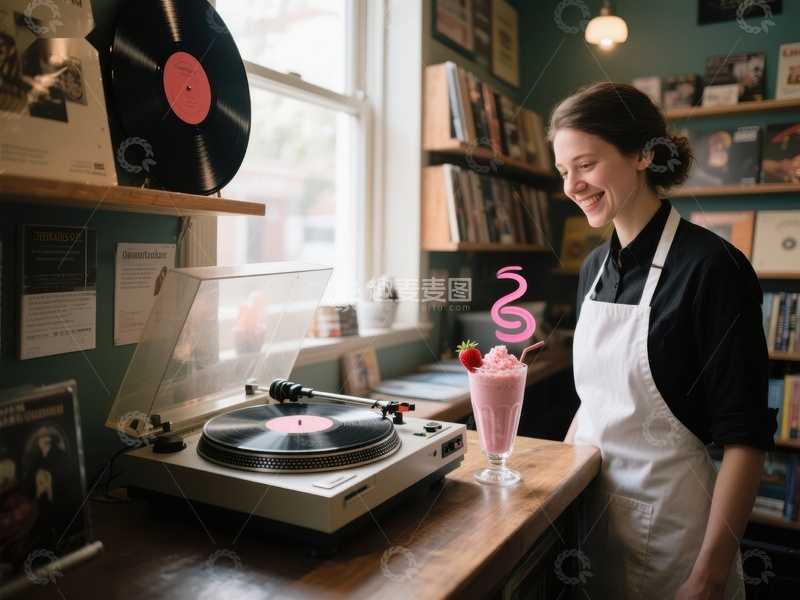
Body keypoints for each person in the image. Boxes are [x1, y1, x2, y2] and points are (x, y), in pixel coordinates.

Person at [548, 81, 777, 599]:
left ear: (644, 154)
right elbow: (594, 404)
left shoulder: (712, 268)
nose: (572, 185)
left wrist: (709, 575)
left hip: (679, 543)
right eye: (563, 171)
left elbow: (746, 437)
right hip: (594, 525)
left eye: (585, 165)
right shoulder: (593, 267)